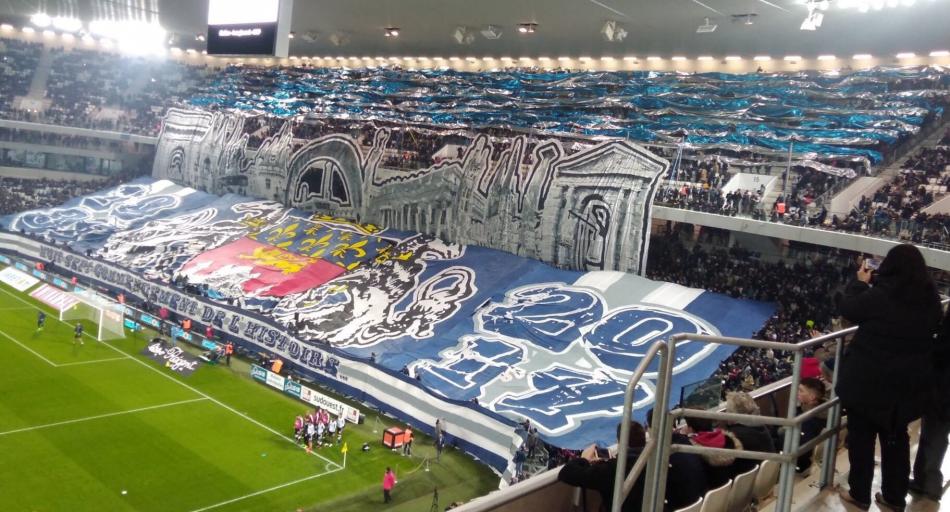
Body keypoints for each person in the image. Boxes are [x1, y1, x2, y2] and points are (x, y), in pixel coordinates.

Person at [836, 245, 942, 511]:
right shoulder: (930, 300)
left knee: (861, 439)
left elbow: (849, 308)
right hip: (905, 386)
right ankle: (894, 498)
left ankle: (859, 494)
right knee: (896, 441)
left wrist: (860, 283)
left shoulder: (880, 295)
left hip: (868, 382)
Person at [558, 421, 648, 512]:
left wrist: (584, 459)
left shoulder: (611, 470)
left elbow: (565, 473)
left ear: (619, 443)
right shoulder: (651, 462)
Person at [910, 306, 950, 503]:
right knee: (937, 432)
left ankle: (927, 482)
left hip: (944, 384)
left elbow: (943, 347)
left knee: (934, 431)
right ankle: (925, 480)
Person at [722, 391, 776, 474]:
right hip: (769, 474)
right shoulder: (761, 426)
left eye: (727, 410)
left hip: (750, 477)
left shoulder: (736, 435)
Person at [796, 377, 827, 474]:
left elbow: (804, 449)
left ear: (812, 397)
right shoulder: (827, 409)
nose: (797, 393)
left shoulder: (810, 420)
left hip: (801, 464)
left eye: (801, 391)